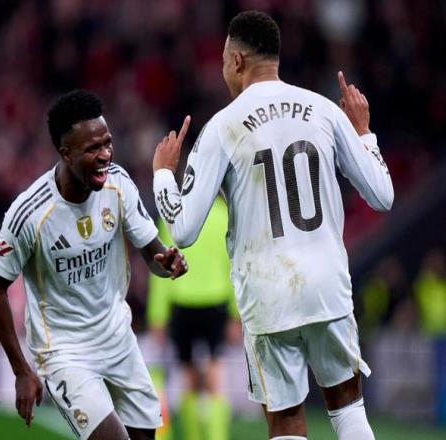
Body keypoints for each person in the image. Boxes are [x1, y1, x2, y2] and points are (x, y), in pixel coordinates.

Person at [152, 10, 393, 440]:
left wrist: (163, 177)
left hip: (268, 294)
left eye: (224, 61)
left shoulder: (223, 126)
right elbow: (383, 195)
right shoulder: (324, 109)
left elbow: (183, 230)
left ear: (237, 61)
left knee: (285, 422)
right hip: (327, 285)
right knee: (347, 407)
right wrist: (365, 134)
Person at [0, 89, 188, 440]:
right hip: (64, 352)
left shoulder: (118, 184)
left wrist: (167, 263)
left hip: (118, 338)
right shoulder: (30, 213)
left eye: (107, 143)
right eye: (93, 149)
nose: (105, 155)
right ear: (66, 154)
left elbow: (153, 255)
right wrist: (20, 370)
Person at [147, 196, 238, 440]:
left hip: (182, 300)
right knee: (215, 371)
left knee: (187, 373)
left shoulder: (171, 216)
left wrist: (157, 315)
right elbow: (232, 263)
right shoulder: (222, 214)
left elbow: (161, 267)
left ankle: (194, 437)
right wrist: (235, 312)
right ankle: (218, 438)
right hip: (216, 298)